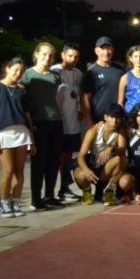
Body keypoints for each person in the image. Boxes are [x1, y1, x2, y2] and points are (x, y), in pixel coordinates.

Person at [0, 57, 35, 217]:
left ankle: (16, 203)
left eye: (21, 71)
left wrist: (32, 139)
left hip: (21, 132)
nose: (18, 74)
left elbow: (28, 116)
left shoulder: (22, 91)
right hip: (3, 133)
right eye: (15, 70)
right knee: (8, 171)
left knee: (20, 171)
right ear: (7, 68)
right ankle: (4, 202)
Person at [22, 42, 64, 211]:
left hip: (55, 121)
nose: (47, 58)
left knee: (54, 161)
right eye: (44, 54)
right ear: (36, 54)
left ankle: (50, 195)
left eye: (50, 55)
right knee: (39, 161)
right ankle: (35, 198)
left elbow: (53, 98)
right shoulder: (27, 75)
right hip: (38, 122)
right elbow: (23, 100)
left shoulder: (55, 76)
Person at [74, 103, 131, 207]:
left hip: (106, 167)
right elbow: (81, 156)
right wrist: (87, 171)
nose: (115, 121)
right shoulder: (93, 131)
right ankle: (87, 192)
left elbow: (122, 150)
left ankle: (109, 191)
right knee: (79, 174)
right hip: (93, 163)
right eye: (112, 117)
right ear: (105, 117)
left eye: (118, 118)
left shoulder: (120, 131)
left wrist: (112, 148)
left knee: (122, 159)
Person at [52, 42, 84, 202]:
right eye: (70, 55)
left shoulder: (79, 73)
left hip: (73, 123)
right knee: (56, 158)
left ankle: (64, 189)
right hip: (58, 122)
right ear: (63, 55)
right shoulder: (54, 71)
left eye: (76, 56)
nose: (73, 59)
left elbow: (79, 96)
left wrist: (80, 110)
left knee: (67, 157)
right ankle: (50, 192)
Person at [81, 36, 124, 126]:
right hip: (98, 122)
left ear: (113, 50)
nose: (106, 52)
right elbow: (85, 98)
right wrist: (88, 120)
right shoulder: (91, 72)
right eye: (103, 49)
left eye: (109, 49)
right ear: (96, 51)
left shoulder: (120, 70)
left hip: (117, 120)